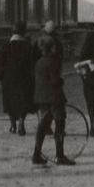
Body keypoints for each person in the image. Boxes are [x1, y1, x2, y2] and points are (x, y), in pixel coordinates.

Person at [31, 35, 75, 166]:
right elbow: (55, 81)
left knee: (43, 126)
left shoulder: (39, 62)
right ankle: (59, 156)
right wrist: (62, 80)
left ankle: (36, 154)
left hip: (42, 98)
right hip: (54, 98)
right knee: (60, 125)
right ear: (52, 47)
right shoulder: (53, 61)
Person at [0, 20, 37, 135]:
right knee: (23, 101)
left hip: (9, 79)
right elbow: (33, 63)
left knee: (10, 101)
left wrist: (1, 76)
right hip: (24, 79)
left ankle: (12, 125)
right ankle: (21, 123)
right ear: (24, 32)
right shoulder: (28, 46)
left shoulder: (7, 45)